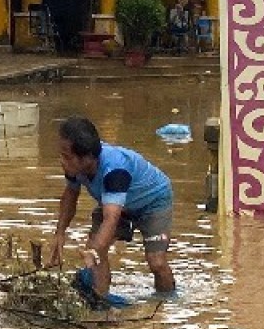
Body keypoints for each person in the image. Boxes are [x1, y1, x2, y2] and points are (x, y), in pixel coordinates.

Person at [46, 116, 175, 306]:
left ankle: (165, 306)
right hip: (114, 203)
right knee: (96, 249)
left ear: (87, 158)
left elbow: (111, 218)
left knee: (156, 262)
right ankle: (100, 301)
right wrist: (59, 233)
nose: (62, 161)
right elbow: (70, 195)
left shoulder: (115, 170)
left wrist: (94, 251)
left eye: (67, 156)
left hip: (153, 202)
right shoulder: (74, 166)